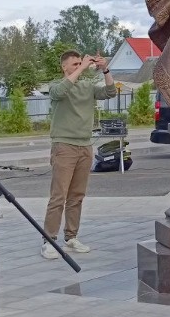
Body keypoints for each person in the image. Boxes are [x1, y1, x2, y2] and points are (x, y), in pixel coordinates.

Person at [41, 50, 117, 259]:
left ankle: (71, 236)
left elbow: (111, 92)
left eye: (79, 63)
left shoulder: (87, 86)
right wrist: (83, 67)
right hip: (64, 146)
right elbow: (58, 93)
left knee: (77, 196)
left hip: (85, 146)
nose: (78, 67)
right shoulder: (57, 85)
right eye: (74, 64)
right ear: (64, 67)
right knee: (59, 196)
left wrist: (105, 69)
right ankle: (49, 240)